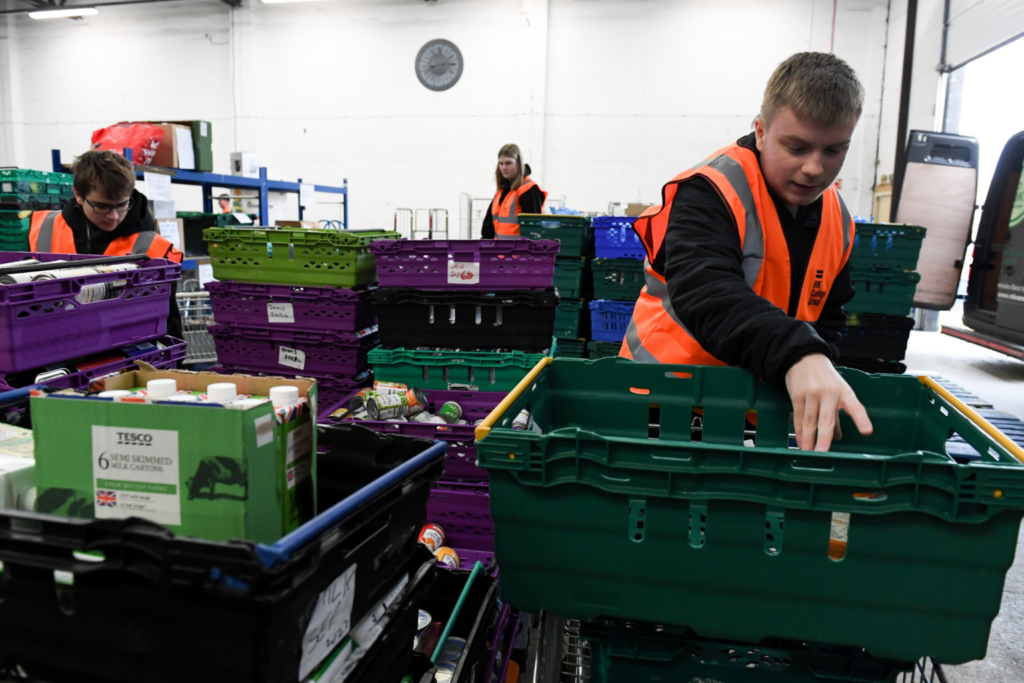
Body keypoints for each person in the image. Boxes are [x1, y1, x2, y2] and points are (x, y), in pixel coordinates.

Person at [619, 52, 873, 453]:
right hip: (667, 406)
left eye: (833, 151)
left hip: (760, 416)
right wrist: (800, 354)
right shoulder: (710, 190)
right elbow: (705, 291)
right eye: (797, 147)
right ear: (760, 130)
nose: (813, 168)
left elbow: (827, 314)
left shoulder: (837, 216)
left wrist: (817, 365)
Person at [29, 150, 183, 339]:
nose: (113, 216)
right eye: (101, 206)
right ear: (78, 194)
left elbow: (169, 321)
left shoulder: (153, 248)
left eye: (121, 205)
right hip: (53, 348)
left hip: (125, 353)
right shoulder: (42, 228)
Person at [481, 144, 547, 239]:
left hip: (519, 253)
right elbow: (488, 228)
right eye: (501, 163)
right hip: (499, 252)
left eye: (508, 163)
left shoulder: (529, 190)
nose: (504, 167)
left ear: (519, 163)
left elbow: (534, 233)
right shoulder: (501, 192)